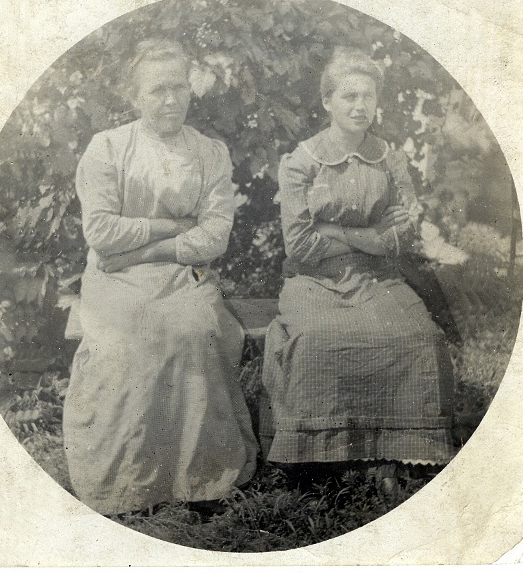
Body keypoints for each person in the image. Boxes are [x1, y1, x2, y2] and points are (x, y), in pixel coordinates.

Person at [63, 39, 258, 516]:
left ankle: (199, 478)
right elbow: (102, 231)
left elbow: (214, 237)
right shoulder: (108, 148)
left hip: (179, 273)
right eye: (157, 90)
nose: (170, 100)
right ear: (136, 97)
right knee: (131, 335)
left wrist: (150, 247)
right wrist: (175, 226)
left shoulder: (209, 152)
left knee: (192, 330)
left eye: (178, 87)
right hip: (115, 280)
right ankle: (127, 482)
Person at [260, 46, 455, 496]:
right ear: (327, 101)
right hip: (313, 281)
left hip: (376, 278)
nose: (359, 107)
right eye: (348, 96)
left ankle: (392, 451)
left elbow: (400, 238)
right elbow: (301, 245)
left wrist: (337, 229)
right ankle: (320, 457)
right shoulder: (301, 162)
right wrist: (366, 234)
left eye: (367, 96)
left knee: (418, 339)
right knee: (315, 341)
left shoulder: (390, 159)